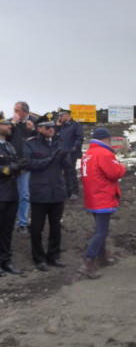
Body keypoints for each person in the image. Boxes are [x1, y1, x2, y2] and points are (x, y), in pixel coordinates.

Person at [79, 128, 127, 279]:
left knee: (101, 229)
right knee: (102, 231)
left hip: (93, 197)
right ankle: (88, 262)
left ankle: (101, 257)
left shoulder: (88, 154)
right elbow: (114, 173)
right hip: (103, 196)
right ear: (106, 139)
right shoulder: (104, 153)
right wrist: (123, 167)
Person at [24, 114, 70, 271]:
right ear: (39, 129)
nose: (52, 129)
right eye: (47, 127)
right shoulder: (31, 144)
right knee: (37, 228)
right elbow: (29, 164)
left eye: (53, 127)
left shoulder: (59, 143)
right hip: (40, 192)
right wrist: (49, 159)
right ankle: (39, 259)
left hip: (57, 191)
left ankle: (53, 256)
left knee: (55, 227)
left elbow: (67, 166)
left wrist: (64, 157)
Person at [0, 118, 29, 276]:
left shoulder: (10, 146)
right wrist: (12, 168)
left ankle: (6, 260)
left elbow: (16, 168)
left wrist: (21, 166)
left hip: (11, 194)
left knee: (7, 230)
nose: (9, 126)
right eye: (5, 124)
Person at [7, 101, 37, 235]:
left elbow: (44, 138)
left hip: (28, 164)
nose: (14, 112)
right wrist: (12, 124)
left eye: (17, 110)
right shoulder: (10, 122)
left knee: (25, 194)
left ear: (25, 112)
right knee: (9, 194)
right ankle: (7, 221)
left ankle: (22, 223)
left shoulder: (35, 122)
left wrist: (33, 130)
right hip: (11, 164)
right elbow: (4, 137)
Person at [56, 108, 84, 200]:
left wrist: (75, 147)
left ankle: (74, 191)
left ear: (67, 115)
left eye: (61, 115)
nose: (60, 117)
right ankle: (67, 191)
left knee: (71, 172)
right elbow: (55, 137)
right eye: (59, 115)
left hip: (71, 153)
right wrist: (57, 127)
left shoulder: (75, 125)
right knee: (64, 173)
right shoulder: (61, 126)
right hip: (61, 153)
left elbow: (79, 137)